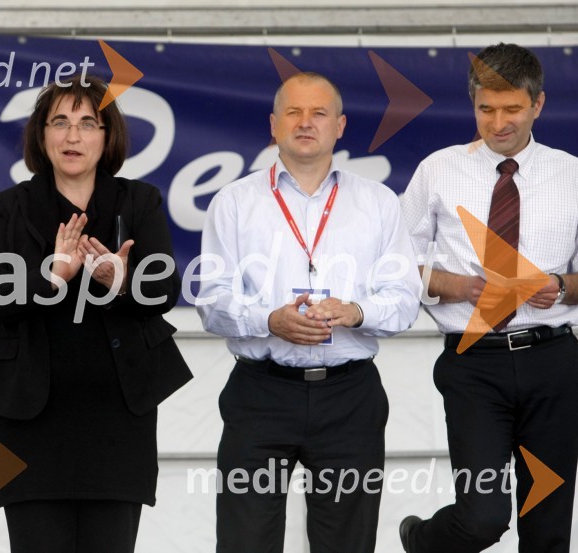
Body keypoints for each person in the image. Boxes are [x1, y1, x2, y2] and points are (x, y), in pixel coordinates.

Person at [198, 72, 421, 553]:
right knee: (244, 542)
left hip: (350, 398)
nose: (305, 123)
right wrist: (268, 320)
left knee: (346, 543)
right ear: (273, 124)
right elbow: (211, 301)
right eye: (293, 112)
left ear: (339, 126)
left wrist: (356, 311)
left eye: (319, 113)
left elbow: (405, 298)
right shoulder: (233, 202)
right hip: (260, 395)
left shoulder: (379, 203)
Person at [0, 74, 192, 553]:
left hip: (118, 418)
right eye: (60, 122)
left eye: (88, 123)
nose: (73, 136)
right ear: (41, 134)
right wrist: (51, 277)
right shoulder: (9, 207)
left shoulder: (139, 201)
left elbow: (165, 289)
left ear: (107, 137)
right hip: (28, 420)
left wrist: (121, 281)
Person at [398, 43, 578, 553]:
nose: (498, 123)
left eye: (512, 109)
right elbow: (393, 266)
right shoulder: (437, 170)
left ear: (538, 104)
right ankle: (421, 541)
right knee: (482, 518)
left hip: (553, 362)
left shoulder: (572, 174)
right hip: (472, 363)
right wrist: (453, 285)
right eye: (486, 109)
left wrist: (561, 285)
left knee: (547, 528)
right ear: (473, 104)